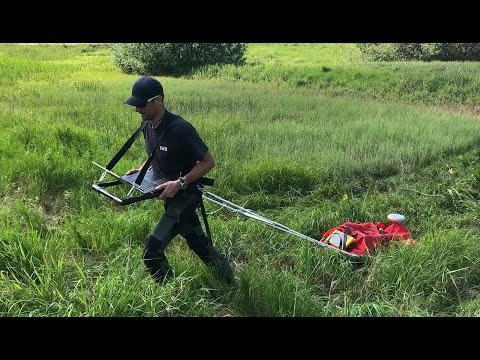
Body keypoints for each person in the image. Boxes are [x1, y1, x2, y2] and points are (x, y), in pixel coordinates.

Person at [123, 75, 235, 287]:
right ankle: (229, 281)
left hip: (185, 195)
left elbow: (208, 162)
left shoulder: (180, 128)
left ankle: (172, 297)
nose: (138, 110)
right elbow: (159, 156)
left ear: (159, 100)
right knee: (196, 239)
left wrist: (180, 183)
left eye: (142, 104)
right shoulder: (148, 125)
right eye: (135, 105)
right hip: (169, 193)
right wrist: (142, 169)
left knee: (151, 252)